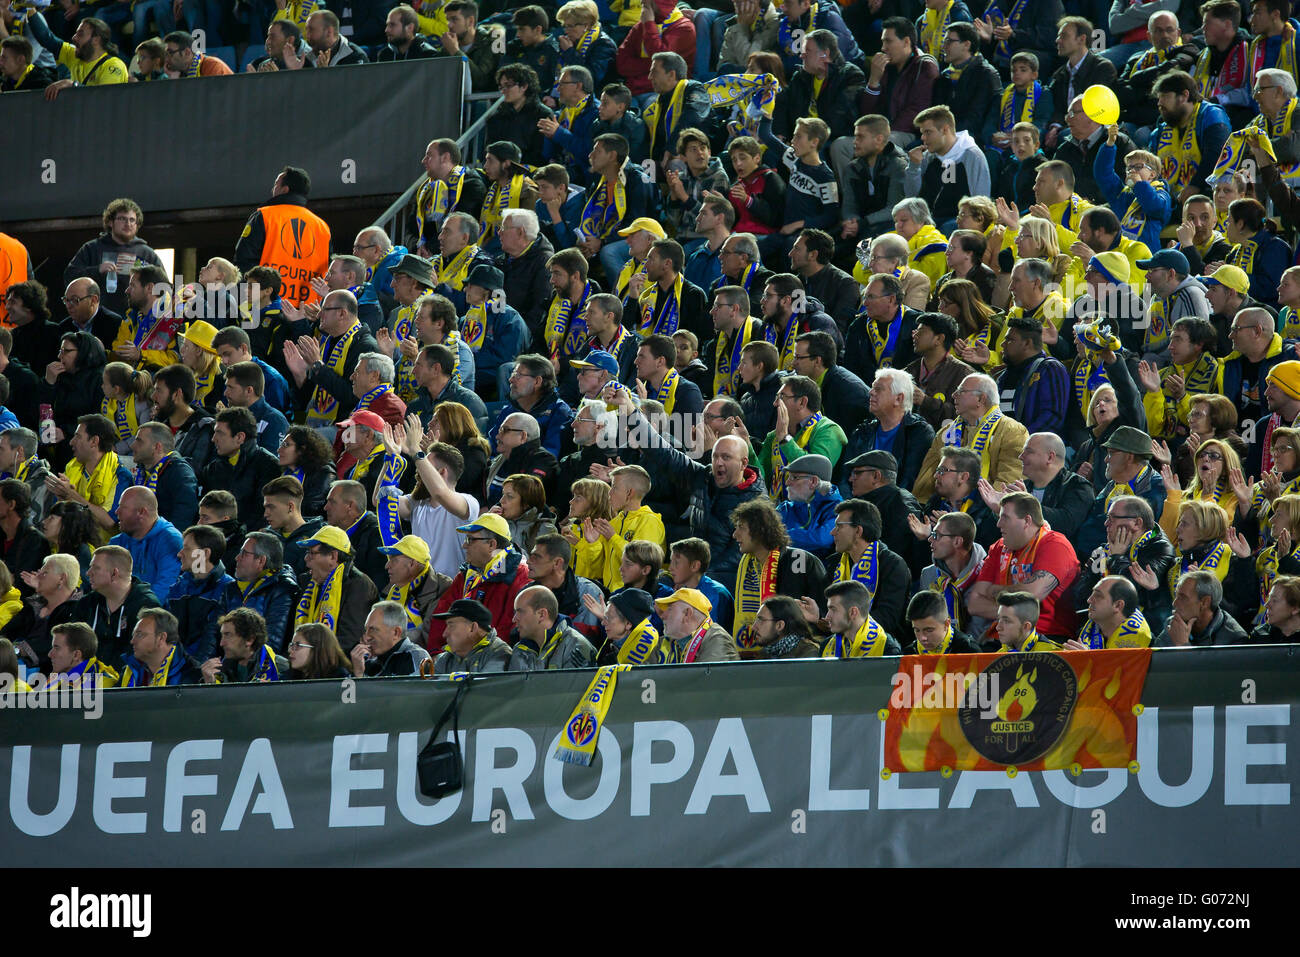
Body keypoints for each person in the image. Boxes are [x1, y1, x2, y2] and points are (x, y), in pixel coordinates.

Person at [967, 492, 1080, 645]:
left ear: (1027, 520)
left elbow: (1033, 595)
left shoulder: (1055, 544)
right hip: (999, 637)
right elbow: (974, 604)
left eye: (1005, 517)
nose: (998, 524)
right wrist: (1019, 612)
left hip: (1045, 637)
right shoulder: (999, 547)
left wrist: (993, 591)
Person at [729, 496, 828, 650]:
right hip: (762, 655)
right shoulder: (746, 566)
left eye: (741, 527)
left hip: (799, 653)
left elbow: (824, 613)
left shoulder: (801, 560)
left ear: (759, 530)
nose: (735, 535)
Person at [912, 373, 1028, 503]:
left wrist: (972, 514)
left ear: (981, 399)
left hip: (988, 515)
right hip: (943, 512)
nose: (953, 395)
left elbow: (1008, 485)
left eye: (961, 391)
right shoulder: (946, 432)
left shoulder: (1012, 431)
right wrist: (925, 510)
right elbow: (926, 481)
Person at [233, 166, 331, 308]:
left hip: (267, 307)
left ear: (285, 189)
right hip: (308, 311)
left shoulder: (265, 216)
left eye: (276, 184)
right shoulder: (322, 227)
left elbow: (244, 261)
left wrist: (245, 301)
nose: (272, 189)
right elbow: (328, 270)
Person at [63, 198, 163, 318]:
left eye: (132, 220)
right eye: (122, 219)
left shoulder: (147, 254)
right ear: (110, 222)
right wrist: (97, 270)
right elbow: (69, 276)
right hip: (98, 320)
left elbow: (163, 287)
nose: (128, 224)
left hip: (135, 320)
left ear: (137, 225)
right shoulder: (92, 248)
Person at [828, 497, 910, 641]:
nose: (833, 532)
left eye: (839, 526)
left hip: (880, 646)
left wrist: (844, 624)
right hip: (839, 640)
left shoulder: (892, 564)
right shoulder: (833, 563)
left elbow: (889, 618)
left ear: (858, 531)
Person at [44, 413, 132, 545]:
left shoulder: (120, 475)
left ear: (94, 441)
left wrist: (71, 495)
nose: (71, 441)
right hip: (72, 543)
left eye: (78, 436)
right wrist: (63, 497)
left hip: (103, 551)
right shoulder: (72, 467)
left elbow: (109, 522)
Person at [71, 545, 162, 672]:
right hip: (87, 681)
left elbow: (143, 657)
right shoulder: (86, 604)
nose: (88, 573)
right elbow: (72, 647)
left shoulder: (146, 606)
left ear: (114, 573)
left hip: (126, 686)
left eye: (95, 568)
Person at [903, 105, 991, 231]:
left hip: (958, 222)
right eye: (922, 133)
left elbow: (981, 202)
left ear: (945, 130)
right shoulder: (928, 156)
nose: (922, 138)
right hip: (926, 220)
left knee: (947, 229)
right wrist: (913, 167)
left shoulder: (972, 156)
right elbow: (911, 196)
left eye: (928, 132)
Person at [860, 16, 939, 147]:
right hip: (882, 132)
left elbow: (917, 110)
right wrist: (873, 80)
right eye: (882, 42)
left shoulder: (924, 66)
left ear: (906, 42)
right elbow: (867, 113)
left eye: (888, 41)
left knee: (886, 142)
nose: (883, 48)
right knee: (840, 146)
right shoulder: (884, 67)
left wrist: (885, 132)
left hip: (909, 133)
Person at [200, 407, 281, 531]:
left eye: (220, 433)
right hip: (216, 539)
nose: (213, 439)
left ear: (240, 437)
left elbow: (264, 514)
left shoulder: (268, 465)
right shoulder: (212, 469)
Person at [223, 531, 300, 652]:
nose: (237, 558)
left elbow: (271, 644)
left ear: (261, 561)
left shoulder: (281, 590)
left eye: (244, 553)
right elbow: (213, 634)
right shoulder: (231, 588)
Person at [168, 524, 234, 660]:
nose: (179, 554)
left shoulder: (228, 590)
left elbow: (213, 642)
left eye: (186, 548)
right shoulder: (177, 588)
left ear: (205, 554)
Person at [108, 487, 183, 604]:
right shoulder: (117, 543)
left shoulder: (170, 540)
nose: (116, 512)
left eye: (123, 507)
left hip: (152, 616)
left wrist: (133, 613)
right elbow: (104, 583)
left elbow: (165, 588)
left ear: (142, 512)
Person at [507, 584, 596, 670]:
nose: (514, 619)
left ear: (542, 614)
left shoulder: (576, 647)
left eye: (520, 612)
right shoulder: (519, 650)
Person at [1155, 570, 1249, 647]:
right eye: (1176, 596)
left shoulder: (1234, 639)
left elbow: (1208, 670)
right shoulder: (1175, 624)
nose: (1174, 603)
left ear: (1204, 602)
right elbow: (1155, 666)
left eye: (1183, 598)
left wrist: (1183, 646)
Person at [118, 609, 203, 686]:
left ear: (161, 638)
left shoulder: (193, 676)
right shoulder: (129, 671)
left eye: (139, 635)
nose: (132, 641)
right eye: (134, 635)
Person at [347, 601, 431, 678]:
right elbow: (346, 694)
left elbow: (411, 693)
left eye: (373, 629)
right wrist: (357, 673)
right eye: (366, 629)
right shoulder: (367, 662)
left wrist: (360, 676)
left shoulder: (416, 657)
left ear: (396, 632)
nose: (367, 637)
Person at [201, 608, 286, 684]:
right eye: (222, 635)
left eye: (228, 635)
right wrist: (210, 684)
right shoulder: (220, 671)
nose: (221, 643)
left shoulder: (281, 669)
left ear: (249, 639)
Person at [430, 597, 514, 673]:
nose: (444, 634)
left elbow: (487, 689)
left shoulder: (499, 654)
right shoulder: (444, 659)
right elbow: (434, 689)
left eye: (451, 625)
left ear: (473, 627)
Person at [820, 578, 900, 657]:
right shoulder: (826, 645)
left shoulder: (887, 649)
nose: (827, 616)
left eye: (833, 609)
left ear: (853, 612)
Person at [900, 589, 980, 654]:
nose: (922, 638)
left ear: (946, 624)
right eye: (917, 630)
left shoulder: (969, 652)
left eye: (928, 630)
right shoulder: (909, 654)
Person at [992, 590, 1062, 652]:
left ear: (1026, 626)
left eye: (1006, 621)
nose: (998, 627)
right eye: (999, 619)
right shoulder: (997, 656)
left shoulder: (1054, 654)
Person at [285, 623, 351, 679]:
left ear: (317, 649)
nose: (290, 650)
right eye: (292, 645)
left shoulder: (339, 679)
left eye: (298, 645)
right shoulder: (289, 676)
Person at [1250, 575, 1300, 644]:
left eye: (1274, 600)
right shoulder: (1260, 636)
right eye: (1269, 598)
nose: (1266, 605)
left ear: (1295, 608)